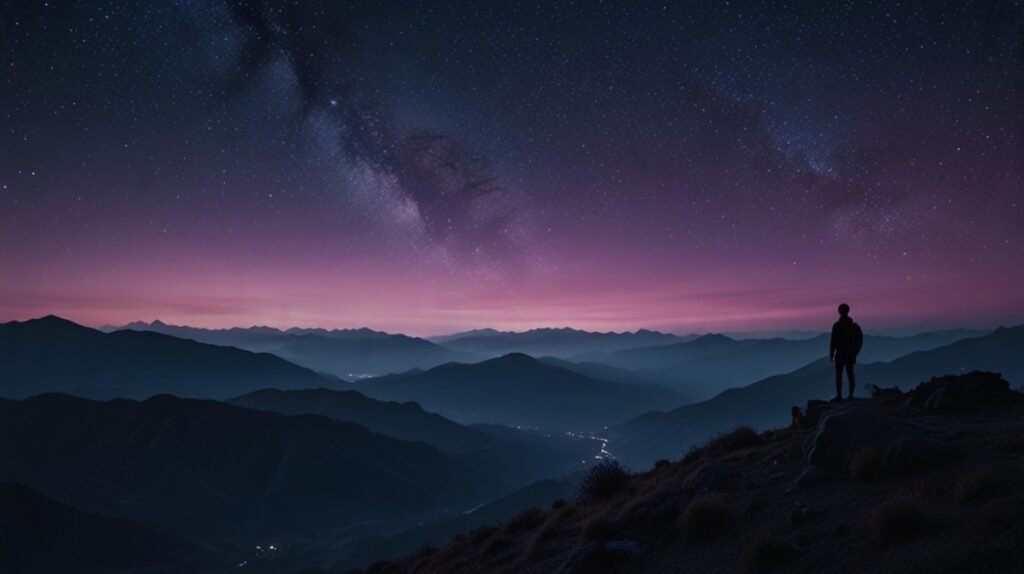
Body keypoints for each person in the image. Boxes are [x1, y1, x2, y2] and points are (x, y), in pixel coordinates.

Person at [829, 303, 863, 400]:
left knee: (840, 375)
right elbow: (860, 340)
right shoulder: (853, 326)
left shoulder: (837, 326)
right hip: (849, 354)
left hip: (841, 354)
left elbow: (833, 341)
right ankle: (850, 396)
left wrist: (831, 354)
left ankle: (840, 396)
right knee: (849, 375)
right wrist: (855, 352)